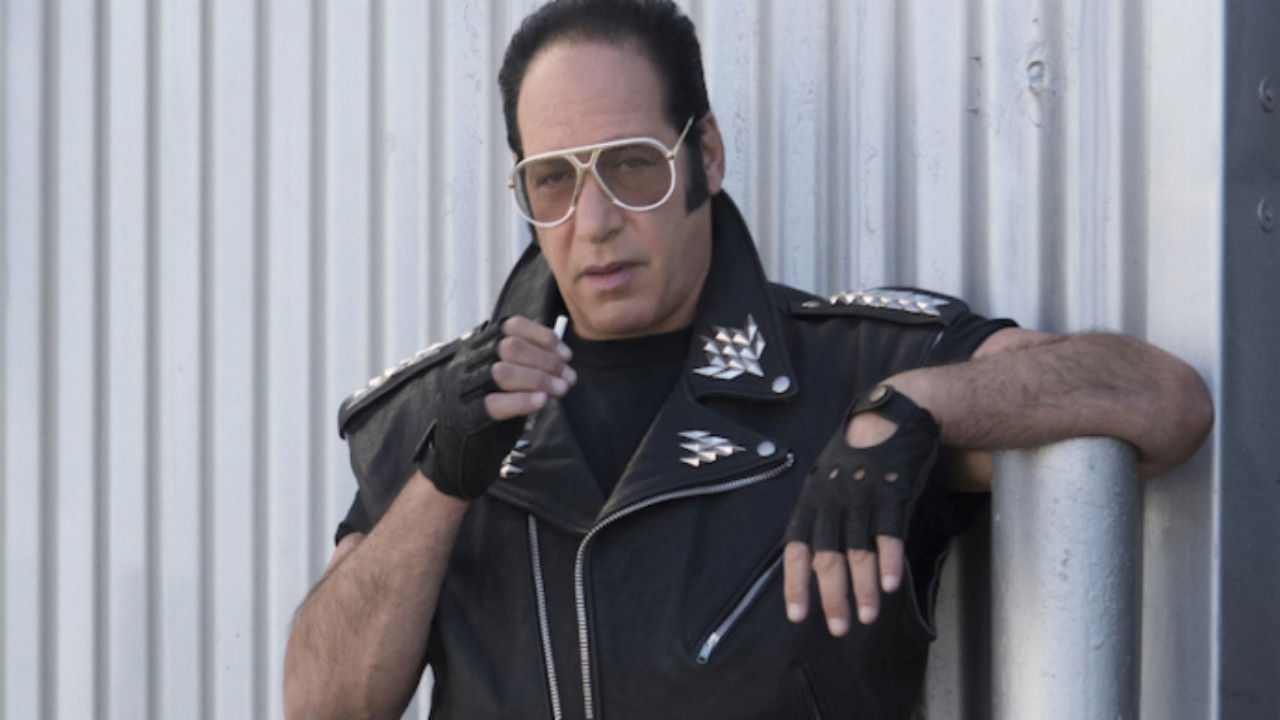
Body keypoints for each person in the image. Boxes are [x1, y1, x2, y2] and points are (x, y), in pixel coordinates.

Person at [283, 1, 1212, 717]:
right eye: (553, 179)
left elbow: (1161, 399)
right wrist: (441, 482)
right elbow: (322, 704)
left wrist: (916, 404)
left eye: (631, 164)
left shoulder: (849, 368)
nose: (593, 220)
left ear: (707, 155)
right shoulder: (443, 416)